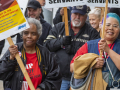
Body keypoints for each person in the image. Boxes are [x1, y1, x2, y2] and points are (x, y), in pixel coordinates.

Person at [44, 5, 100, 90]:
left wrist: (75, 49)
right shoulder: (59, 27)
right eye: (75, 13)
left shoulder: (92, 33)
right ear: (71, 14)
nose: (77, 17)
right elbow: (46, 45)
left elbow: (95, 54)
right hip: (59, 77)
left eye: (81, 15)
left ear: (86, 17)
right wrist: (61, 42)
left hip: (80, 78)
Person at [1, 18, 62, 90]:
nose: (29, 36)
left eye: (33, 33)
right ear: (22, 35)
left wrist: (41, 88)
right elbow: (2, 75)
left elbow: (55, 77)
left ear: (38, 36)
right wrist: (11, 59)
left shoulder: (45, 53)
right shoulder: (13, 50)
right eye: (26, 33)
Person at [70, 13, 120, 90]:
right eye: (107, 25)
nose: (111, 28)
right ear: (101, 26)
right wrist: (91, 65)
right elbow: (72, 67)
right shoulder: (89, 45)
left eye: (115, 26)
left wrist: (108, 50)